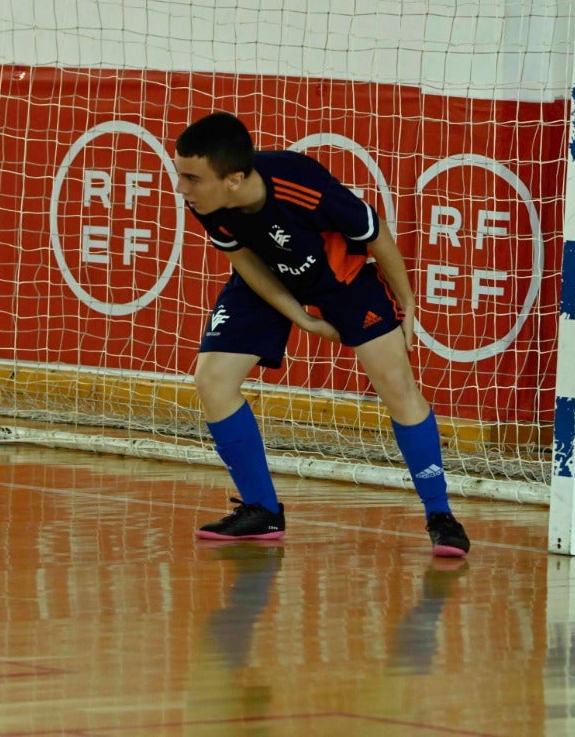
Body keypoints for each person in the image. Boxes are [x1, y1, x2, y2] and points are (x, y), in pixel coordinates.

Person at [172, 112, 470, 556]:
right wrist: (302, 317)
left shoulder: (301, 183)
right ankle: (262, 509)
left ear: (233, 179)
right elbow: (246, 262)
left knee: (397, 385)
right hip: (268, 279)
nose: (182, 189)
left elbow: (374, 234)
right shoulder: (207, 202)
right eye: (181, 176)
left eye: (192, 178)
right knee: (212, 379)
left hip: (344, 279)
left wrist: (407, 302)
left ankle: (441, 516)